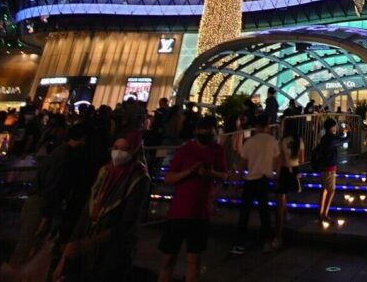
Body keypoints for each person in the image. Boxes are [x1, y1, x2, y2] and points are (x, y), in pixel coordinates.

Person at [55, 130, 151, 281]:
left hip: (113, 251)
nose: (118, 152)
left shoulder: (138, 178)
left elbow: (128, 222)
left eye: (124, 149)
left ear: (134, 150)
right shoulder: (105, 171)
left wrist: (90, 243)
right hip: (89, 245)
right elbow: (86, 212)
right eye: (115, 147)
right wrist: (67, 254)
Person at [158, 116, 226, 282]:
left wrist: (210, 173)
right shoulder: (185, 149)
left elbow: (224, 174)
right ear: (197, 130)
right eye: (204, 129)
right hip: (179, 212)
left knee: (194, 260)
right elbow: (169, 177)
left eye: (210, 130)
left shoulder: (217, 150)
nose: (206, 133)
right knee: (168, 258)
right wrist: (190, 172)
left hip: (200, 212)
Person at [11, 122, 87, 266]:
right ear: (80, 138)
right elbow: (52, 186)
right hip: (40, 203)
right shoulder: (64, 156)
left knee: (28, 248)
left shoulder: (61, 152)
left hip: (39, 201)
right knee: (26, 248)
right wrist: (46, 217)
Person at [231, 118, 281, 254]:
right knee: (264, 212)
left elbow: (242, 162)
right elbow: (278, 159)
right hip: (264, 179)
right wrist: (277, 174)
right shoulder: (272, 141)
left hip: (250, 179)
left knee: (245, 212)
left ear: (256, 126)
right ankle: (267, 242)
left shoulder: (250, 142)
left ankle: (240, 244)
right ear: (267, 126)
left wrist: (236, 181)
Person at [274, 126, 305, 248]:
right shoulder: (299, 140)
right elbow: (302, 159)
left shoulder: (282, 141)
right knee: (284, 196)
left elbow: (279, 160)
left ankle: (278, 234)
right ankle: (285, 214)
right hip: (295, 170)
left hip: (284, 170)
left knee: (280, 198)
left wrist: (276, 174)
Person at [314, 117, 341, 224]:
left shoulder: (325, 138)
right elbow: (344, 140)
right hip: (329, 168)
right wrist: (348, 134)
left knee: (324, 189)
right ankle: (325, 214)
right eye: (334, 126)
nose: (335, 128)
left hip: (324, 167)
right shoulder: (331, 138)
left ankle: (321, 212)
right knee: (331, 190)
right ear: (331, 127)